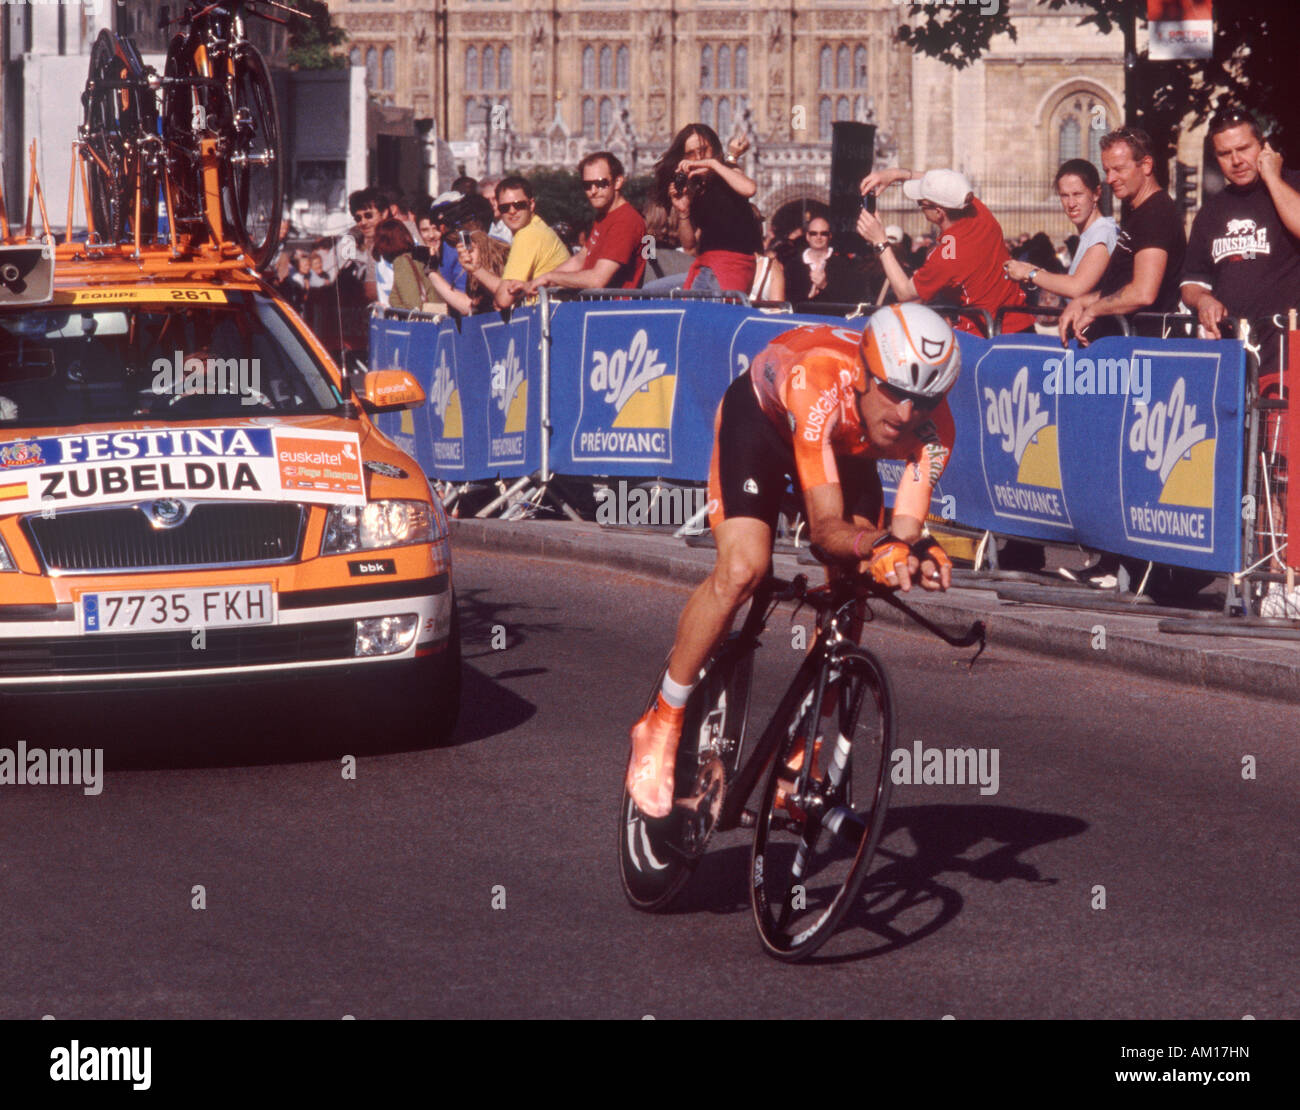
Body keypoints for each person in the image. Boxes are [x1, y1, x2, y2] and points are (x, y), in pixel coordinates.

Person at [626, 304, 961, 817]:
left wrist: (911, 552)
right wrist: (875, 544)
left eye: (926, 399)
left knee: (855, 591)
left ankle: (805, 743)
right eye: (895, 392)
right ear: (867, 375)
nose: (907, 414)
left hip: (845, 452)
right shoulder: (821, 381)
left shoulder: (936, 430)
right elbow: (827, 532)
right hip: (763, 425)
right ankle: (664, 717)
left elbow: (905, 530)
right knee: (743, 570)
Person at [857, 168, 1035, 335]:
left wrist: (880, 242)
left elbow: (904, 293)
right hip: (1021, 322)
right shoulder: (978, 212)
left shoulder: (946, 257)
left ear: (938, 212)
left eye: (922, 203)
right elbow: (945, 186)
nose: (919, 205)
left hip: (986, 338)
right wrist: (895, 174)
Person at [1058, 127, 1187, 344]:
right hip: (1125, 344)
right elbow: (1120, 287)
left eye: (1118, 169)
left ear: (1146, 165)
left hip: (1146, 347)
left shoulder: (1156, 213)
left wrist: (1093, 309)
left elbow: (1143, 292)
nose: (1110, 179)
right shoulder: (1140, 212)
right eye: (1107, 170)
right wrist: (1081, 302)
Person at [655, 123, 762, 293]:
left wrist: (714, 164)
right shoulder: (694, 189)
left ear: (714, 148)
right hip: (708, 267)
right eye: (691, 153)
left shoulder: (727, 173)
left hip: (729, 268)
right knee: (651, 292)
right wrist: (683, 211)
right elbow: (689, 247)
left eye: (704, 150)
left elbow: (750, 189)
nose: (698, 157)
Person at [527, 152, 647, 293]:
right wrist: (539, 281)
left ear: (618, 182)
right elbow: (581, 259)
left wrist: (550, 278)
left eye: (601, 183)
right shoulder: (604, 216)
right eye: (587, 185)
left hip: (612, 308)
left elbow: (597, 280)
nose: (593, 191)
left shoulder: (625, 220)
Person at [1006, 161, 1117, 300]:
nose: (1071, 204)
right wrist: (1039, 273)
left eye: (1078, 194)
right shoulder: (1092, 233)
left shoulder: (1102, 233)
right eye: (1064, 195)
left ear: (1096, 194)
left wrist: (1030, 273)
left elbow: (1076, 287)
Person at [492, 176, 571, 309]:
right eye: (505, 207)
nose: (512, 211)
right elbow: (508, 290)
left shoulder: (528, 234)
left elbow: (504, 298)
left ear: (531, 204)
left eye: (519, 205)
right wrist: (476, 269)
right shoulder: (537, 227)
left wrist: (498, 298)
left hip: (548, 318)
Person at [426, 229, 508, 316]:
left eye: (471, 251)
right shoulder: (475, 279)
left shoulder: (503, 277)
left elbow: (466, 306)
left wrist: (431, 273)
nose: (466, 256)